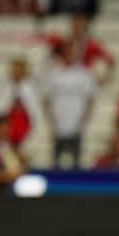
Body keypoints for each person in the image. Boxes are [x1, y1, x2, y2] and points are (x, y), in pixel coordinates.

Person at [43, 39, 97, 168]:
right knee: (56, 162)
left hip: (77, 125)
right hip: (58, 124)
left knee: (76, 163)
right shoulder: (53, 73)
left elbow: (90, 99)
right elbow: (46, 99)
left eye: (72, 52)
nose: (69, 54)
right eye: (67, 51)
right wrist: (51, 121)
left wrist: (84, 120)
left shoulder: (84, 74)